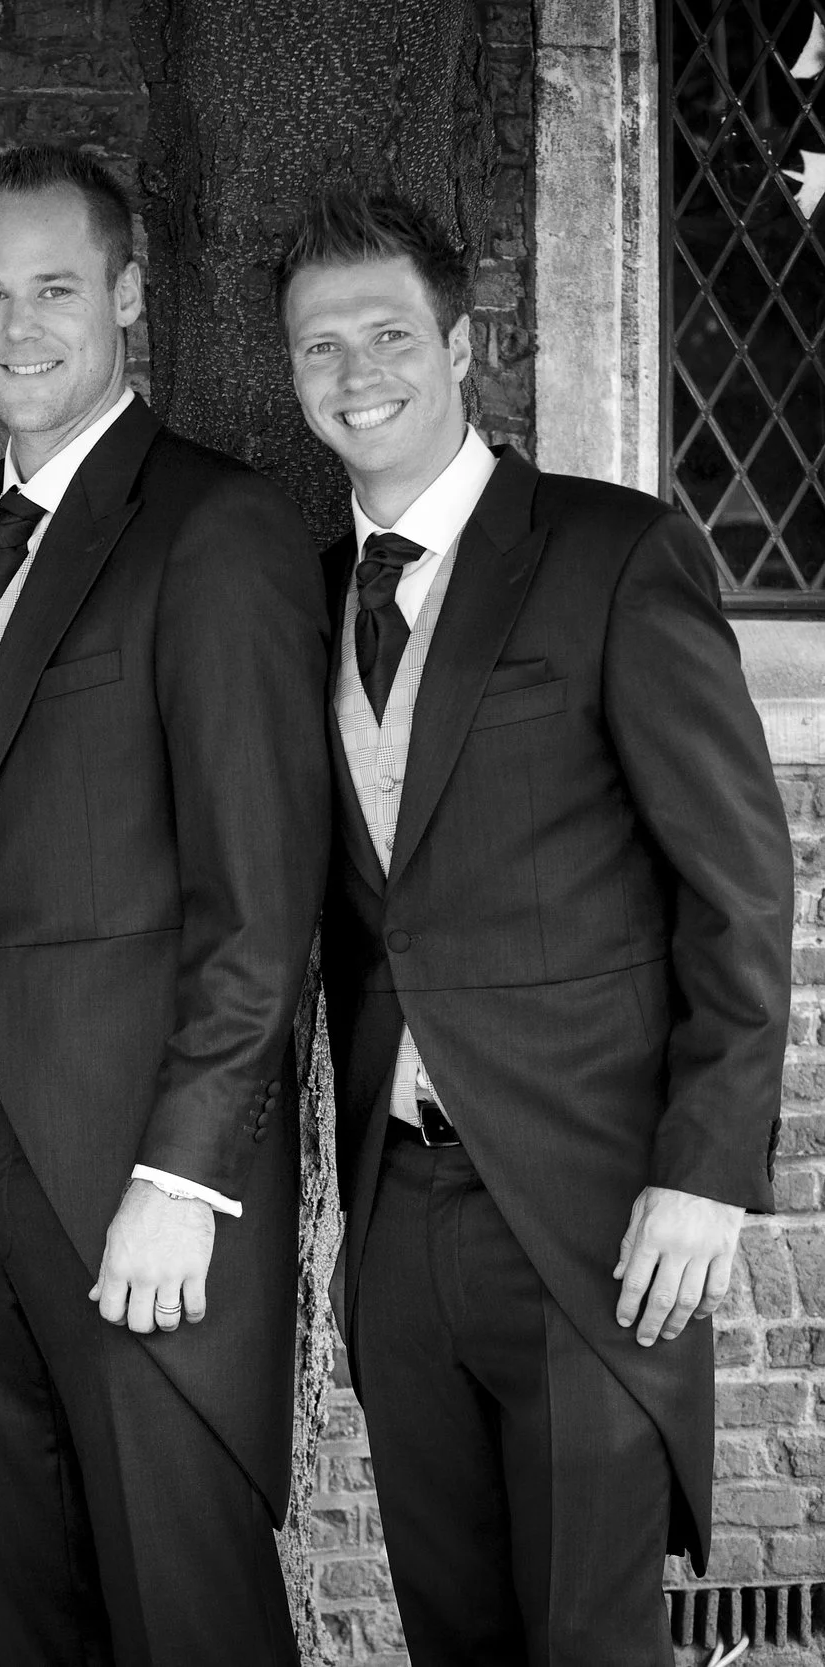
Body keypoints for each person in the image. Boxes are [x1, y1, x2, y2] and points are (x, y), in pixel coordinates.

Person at [282, 187, 793, 1666]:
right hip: (401, 1219)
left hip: (589, 1213)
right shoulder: (300, 601)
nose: (356, 369)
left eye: (387, 332)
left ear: (462, 340)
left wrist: (705, 1171)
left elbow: (739, 880)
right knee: (456, 1635)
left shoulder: (612, 554)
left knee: (587, 1640)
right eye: (320, 346)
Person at [0, 144, 329, 1664]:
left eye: (57, 290)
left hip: (140, 1172)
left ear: (131, 296)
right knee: (26, 1596)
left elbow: (259, 893)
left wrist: (185, 1174)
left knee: (182, 1600)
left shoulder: (214, 527)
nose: (20, 329)